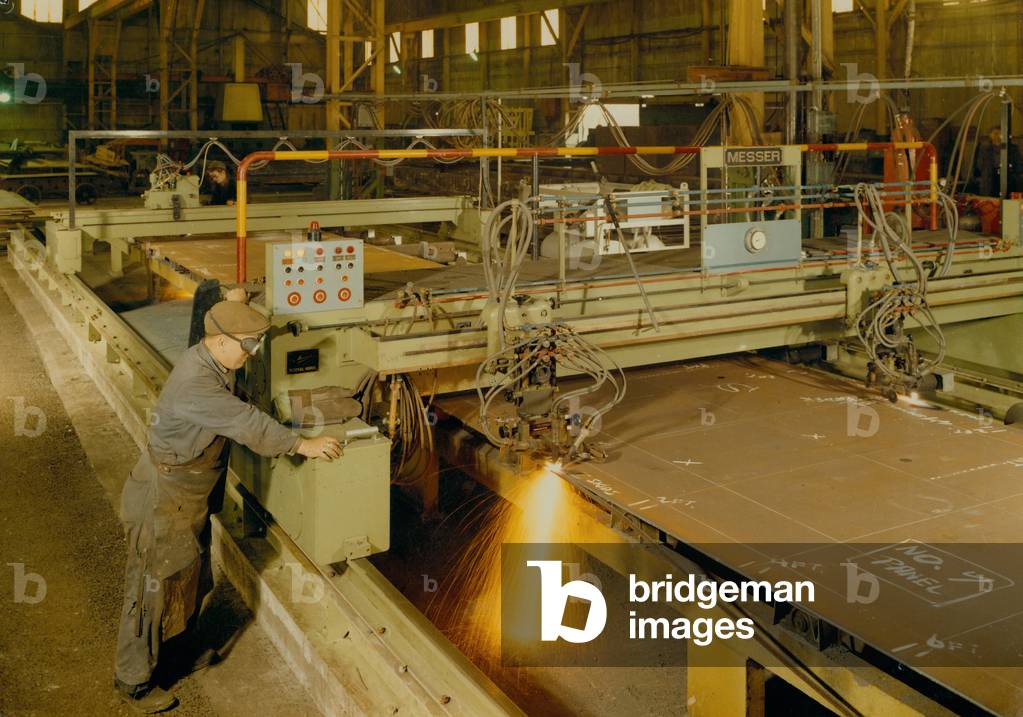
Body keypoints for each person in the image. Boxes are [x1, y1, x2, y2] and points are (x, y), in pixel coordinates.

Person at [114, 292, 341, 714]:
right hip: (165, 497)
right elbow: (245, 422)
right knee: (151, 589)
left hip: (188, 496)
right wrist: (300, 444)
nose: (253, 352)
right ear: (220, 342)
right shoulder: (196, 382)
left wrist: (237, 300)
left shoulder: (214, 360)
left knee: (191, 576)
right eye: (248, 344)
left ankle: (177, 654)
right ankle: (135, 680)